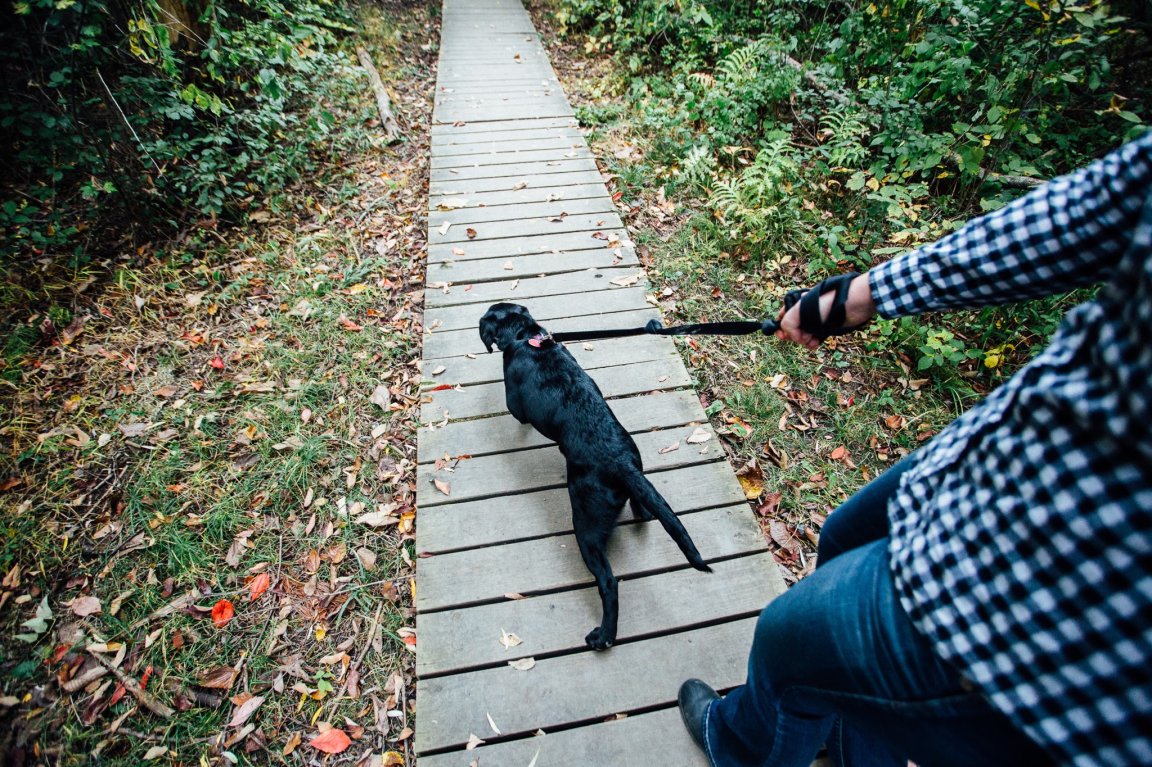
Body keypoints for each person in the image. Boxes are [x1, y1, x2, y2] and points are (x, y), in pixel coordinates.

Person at [677, 131, 1152, 767]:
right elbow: (1079, 215)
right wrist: (853, 299)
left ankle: (737, 746)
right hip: (1016, 449)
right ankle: (851, 722)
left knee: (788, 641)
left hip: (1069, 592)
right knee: (846, 534)